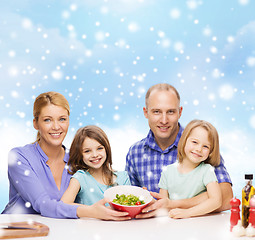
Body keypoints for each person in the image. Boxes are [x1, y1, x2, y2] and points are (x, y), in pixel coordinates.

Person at [2, 91, 130, 220]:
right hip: (16, 230)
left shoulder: (77, 159)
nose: (56, 127)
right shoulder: (19, 157)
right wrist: (91, 211)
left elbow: (98, 187)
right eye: (47, 120)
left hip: (58, 233)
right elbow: (42, 204)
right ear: (35, 123)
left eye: (62, 119)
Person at [125, 83, 233, 217]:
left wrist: (175, 205)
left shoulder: (198, 146)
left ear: (180, 112)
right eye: (156, 111)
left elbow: (226, 198)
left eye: (170, 111)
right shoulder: (135, 153)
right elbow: (130, 200)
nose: (164, 120)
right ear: (146, 112)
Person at [159, 119, 222, 219]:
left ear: (211, 151)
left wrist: (187, 213)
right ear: (184, 140)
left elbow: (216, 201)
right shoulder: (168, 172)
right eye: (194, 142)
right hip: (173, 223)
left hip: (199, 223)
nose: (199, 149)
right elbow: (163, 205)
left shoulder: (206, 170)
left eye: (205, 146)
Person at [61, 125, 130, 205]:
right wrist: (94, 211)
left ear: (106, 149)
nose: (95, 155)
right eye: (87, 151)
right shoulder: (80, 178)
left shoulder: (123, 178)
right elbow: (63, 205)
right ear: (80, 154)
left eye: (99, 148)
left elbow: (129, 205)